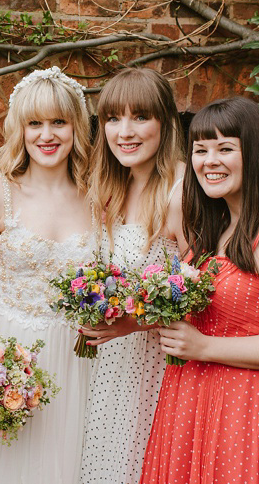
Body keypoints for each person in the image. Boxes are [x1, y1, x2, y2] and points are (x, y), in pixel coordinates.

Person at [141, 96, 259, 484]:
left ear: (255, 152)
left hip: (245, 406)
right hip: (189, 396)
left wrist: (205, 347)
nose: (210, 161)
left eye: (226, 148)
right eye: (200, 150)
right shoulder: (216, 223)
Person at [0, 66, 96, 484]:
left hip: (76, 357)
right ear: (21, 129)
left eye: (58, 123)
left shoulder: (99, 195)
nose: (46, 135)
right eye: (35, 124)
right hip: (5, 355)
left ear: (75, 127)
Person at [77, 68, 186, 484]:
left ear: (166, 122)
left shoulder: (181, 191)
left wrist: (132, 323)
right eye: (112, 118)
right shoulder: (108, 189)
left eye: (140, 117)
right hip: (106, 366)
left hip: (155, 365)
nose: (125, 131)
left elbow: (203, 292)